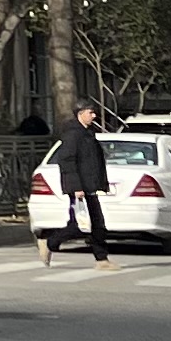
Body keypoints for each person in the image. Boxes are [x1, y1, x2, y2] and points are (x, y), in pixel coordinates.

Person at [48, 105, 112, 265]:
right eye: (90, 112)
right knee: (78, 225)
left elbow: (93, 160)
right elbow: (67, 160)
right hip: (80, 187)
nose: (94, 116)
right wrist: (76, 187)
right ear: (80, 113)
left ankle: (102, 259)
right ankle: (50, 242)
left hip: (90, 185)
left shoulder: (88, 133)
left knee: (97, 223)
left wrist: (100, 183)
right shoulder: (73, 134)